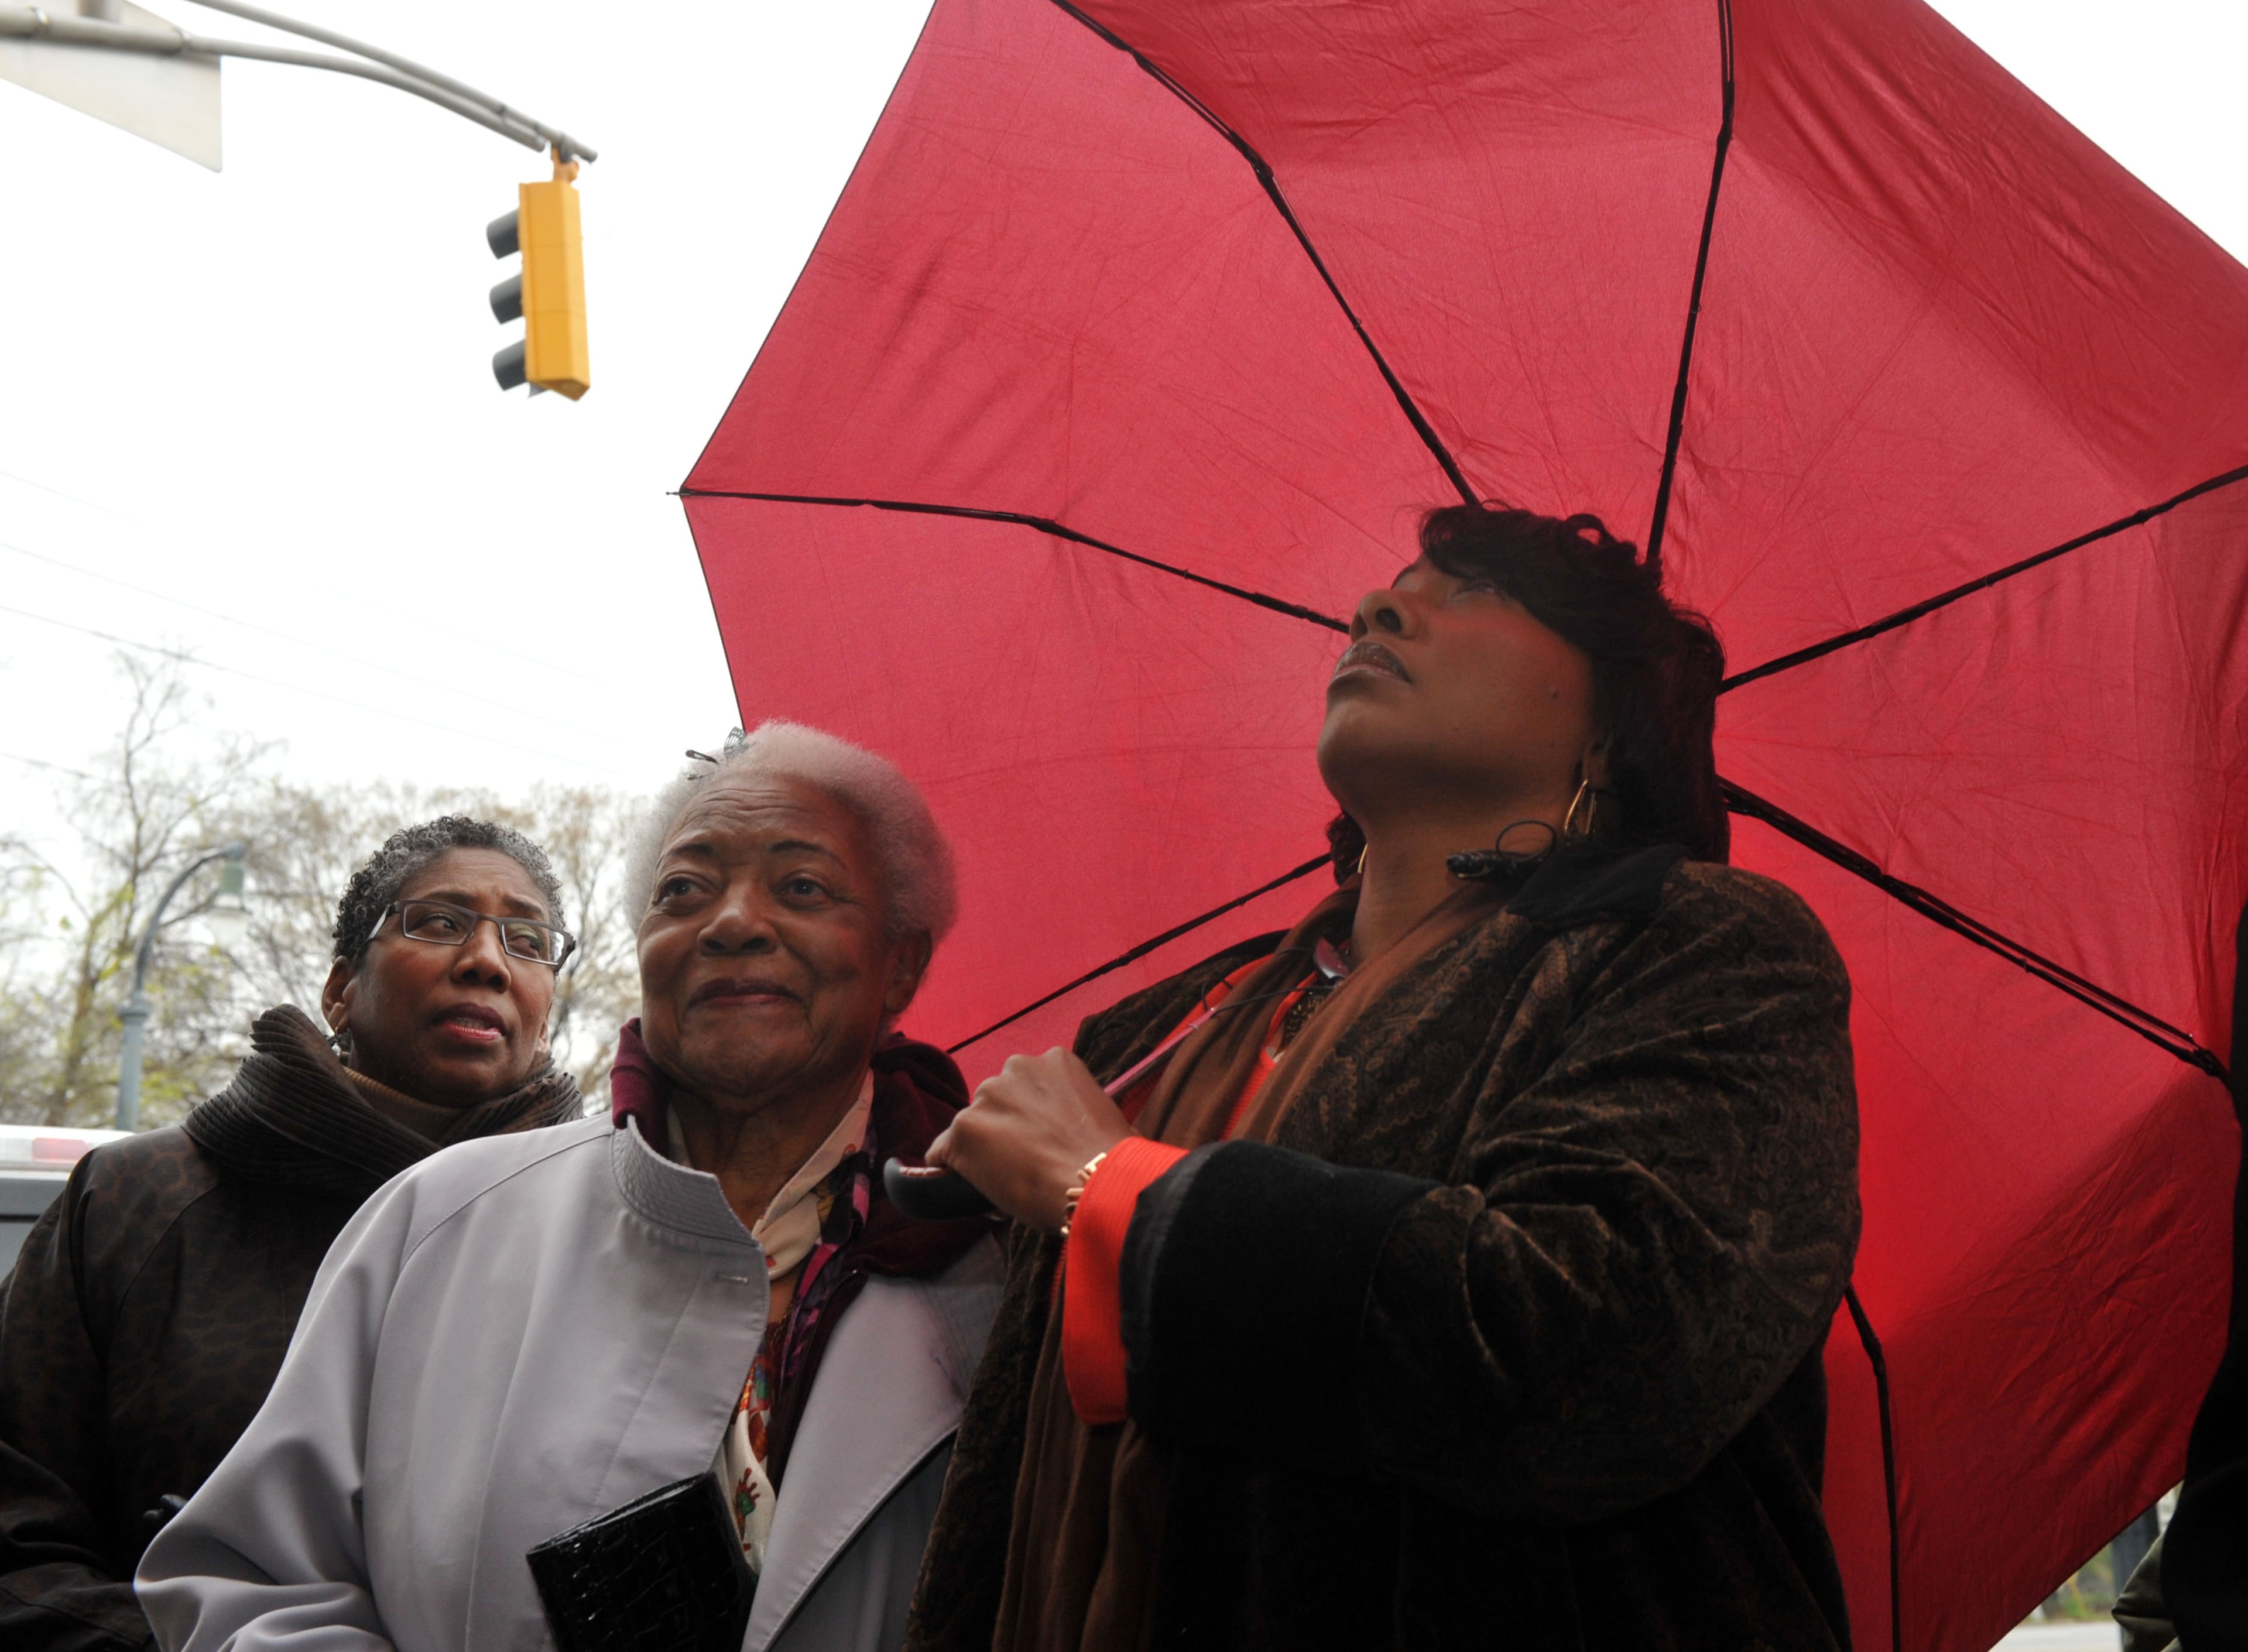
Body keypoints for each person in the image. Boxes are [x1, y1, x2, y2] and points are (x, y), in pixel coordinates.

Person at [909, 504, 1863, 1651]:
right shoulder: (1157, 1029)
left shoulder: (1695, 944)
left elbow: (1584, 1355)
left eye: (1473, 591)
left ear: (1611, 732)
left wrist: (1113, 1186)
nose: (1379, 606)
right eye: (1394, 584)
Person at [137, 724, 1006, 1652]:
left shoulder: (998, 1268)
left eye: (801, 885)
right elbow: (257, 1581)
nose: (732, 921)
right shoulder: (438, 1220)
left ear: (901, 961)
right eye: (684, 889)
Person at [0, 817, 584, 1652]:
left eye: (527, 939)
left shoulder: (598, 1235)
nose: (487, 959)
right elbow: (18, 1549)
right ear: (341, 988)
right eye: (440, 920)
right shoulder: (135, 1202)